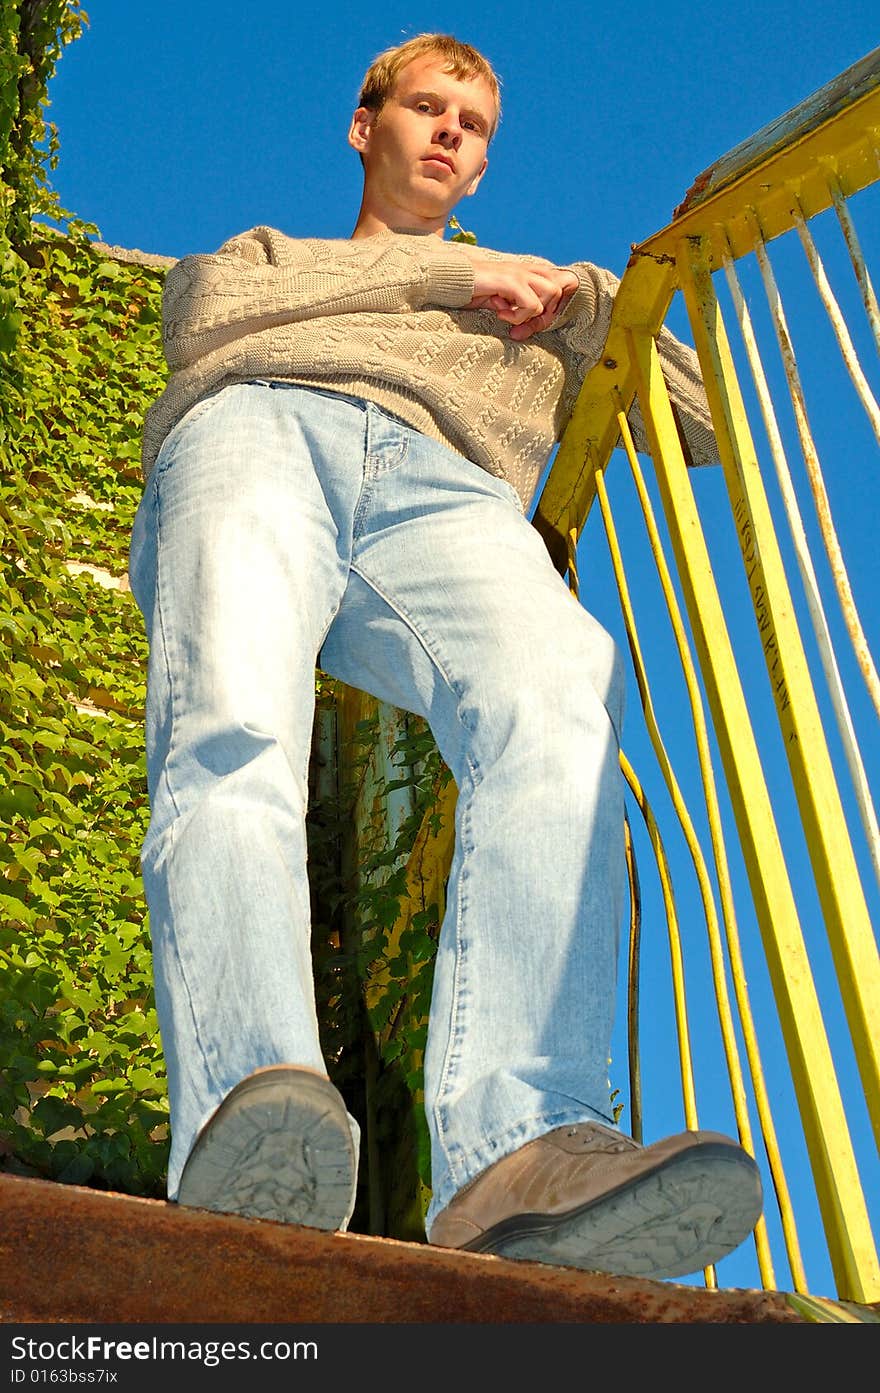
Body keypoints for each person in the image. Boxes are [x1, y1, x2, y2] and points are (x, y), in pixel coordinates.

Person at [128, 32, 763, 1281]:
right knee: (237, 726)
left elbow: (699, 413)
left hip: (445, 490)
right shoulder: (276, 255)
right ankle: (249, 1096)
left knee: (558, 693)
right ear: (367, 127)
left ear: (478, 167)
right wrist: (442, 292)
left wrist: (579, 300)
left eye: (473, 126)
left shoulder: (529, 299)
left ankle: (523, 1145)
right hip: (257, 428)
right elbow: (206, 316)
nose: (449, 136)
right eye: (427, 109)